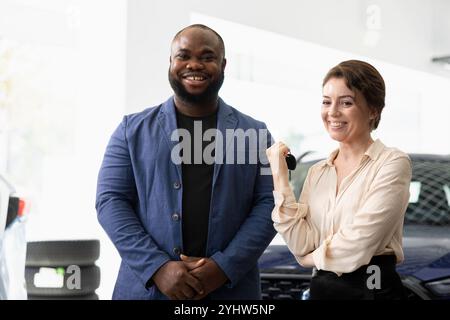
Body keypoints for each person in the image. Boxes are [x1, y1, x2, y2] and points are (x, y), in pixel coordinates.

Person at [95, 24, 276, 300]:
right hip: (148, 290)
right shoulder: (131, 131)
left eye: (207, 57)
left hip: (230, 292)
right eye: (184, 56)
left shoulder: (256, 134)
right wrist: (157, 267)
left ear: (223, 64)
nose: (194, 64)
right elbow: (110, 202)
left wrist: (223, 267)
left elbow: (270, 206)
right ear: (171, 62)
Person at [266, 60, 412, 300]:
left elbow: (359, 243)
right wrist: (280, 178)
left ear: (373, 109)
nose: (332, 112)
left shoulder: (392, 163)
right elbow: (302, 243)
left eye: (346, 102)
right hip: (322, 292)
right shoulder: (318, 172)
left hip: (373, 292)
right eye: (326, 102)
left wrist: (309, 260)